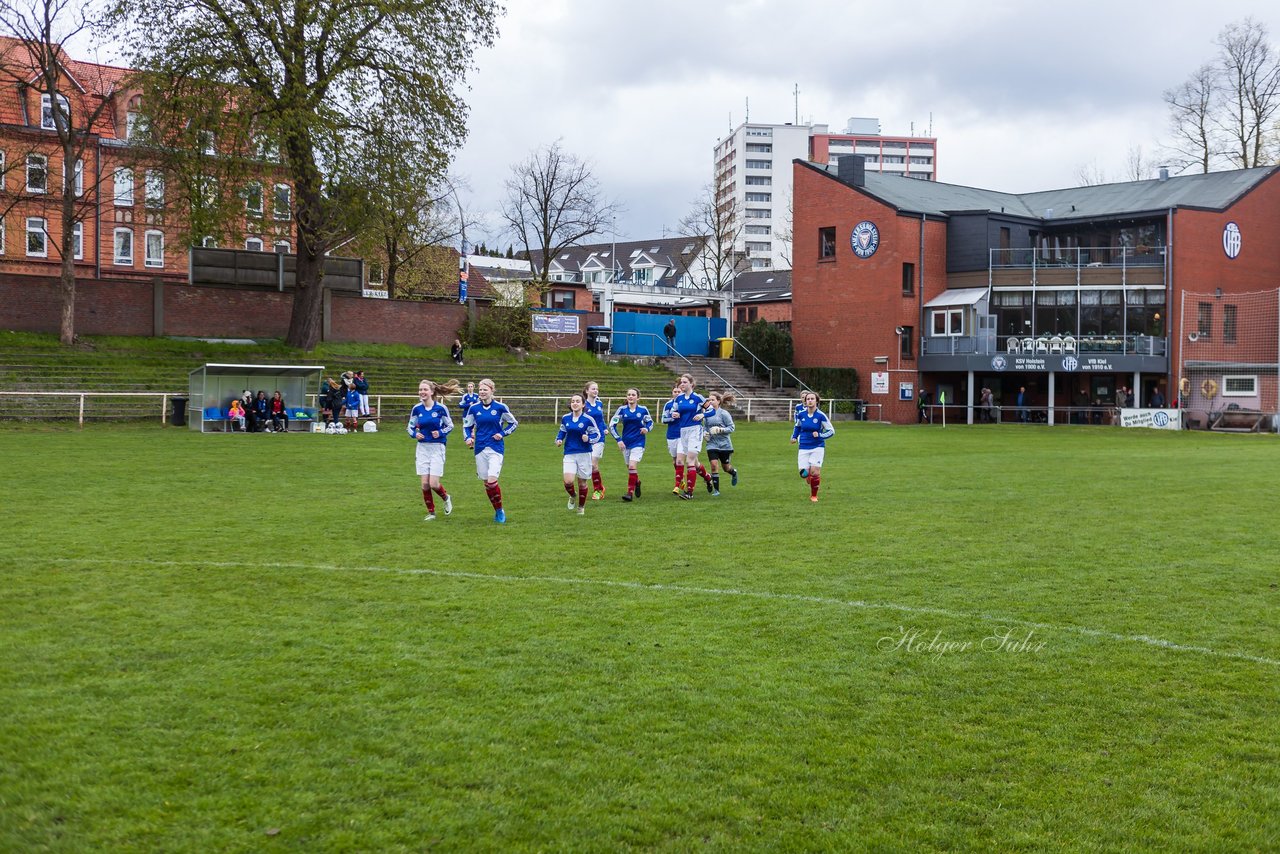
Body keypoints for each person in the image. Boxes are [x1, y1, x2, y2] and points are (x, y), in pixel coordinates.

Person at [463, 378, 518, 524]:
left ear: (492, 391)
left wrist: (503, 433)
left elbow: (513, 423)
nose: (481, 392)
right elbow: (466, 426)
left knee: (492, 481)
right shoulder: (473, 408)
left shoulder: (500, 407)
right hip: (480, 448)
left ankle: (500, 511)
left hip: (496, 448)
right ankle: (496, 509)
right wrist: (468, 438)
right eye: (480, 389)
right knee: (487, 484)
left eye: (485, 389)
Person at [408, 379, 460, 521]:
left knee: (433, 484)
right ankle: (431, 513)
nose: (422, 392)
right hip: (422, 448)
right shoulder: (417, 409)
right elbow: (410, 426)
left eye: (425, 389)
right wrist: (414, 434)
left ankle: (446, 497)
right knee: (425, 484)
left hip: (437, 448)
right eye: (420, 390)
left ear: (431, 392)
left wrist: (441, 433)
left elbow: (450, 426)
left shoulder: (441, 409)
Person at [556, 394, 601, 516]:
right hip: (569, 453)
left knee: (582, 483)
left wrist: (588, 439)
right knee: (568, 481)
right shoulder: (566, 418)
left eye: (577, 401)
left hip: (584, 454)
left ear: (582, 404)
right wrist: (559, 439)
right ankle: (573, 495)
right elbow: (562, 430)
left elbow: (597, 435)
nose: (575, 403)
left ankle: (581, 507)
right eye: (573, 401)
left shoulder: (588, 419)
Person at [669, 373, 710, 500]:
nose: (682, 384)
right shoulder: (679, 398)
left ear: (691, 384)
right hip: (683, 432)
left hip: (695, 430)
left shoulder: (698, 398)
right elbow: (673, 410)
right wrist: (674, 414)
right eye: (681, 382)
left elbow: (711, 410)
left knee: (689, 461)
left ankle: (689, 492)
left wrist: (702, 415)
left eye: (685, 382)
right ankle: (708, 478)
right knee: (688, 462)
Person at [609, 387, 654, 502]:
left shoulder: (643, 410)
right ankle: (637, 482)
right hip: (625, 442)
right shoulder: (622, 410)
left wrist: (647, 429)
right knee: (630, 468)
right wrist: (619, 440)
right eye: (629, 394)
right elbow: (611, 425)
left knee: (633, 466)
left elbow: (650, 422)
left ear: (638, 397)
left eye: (633, 395)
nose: (630, 396)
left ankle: (629, 493)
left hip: (638, 442)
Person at [791, 391, 835, 503]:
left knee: (815, 472)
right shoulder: (801, 414)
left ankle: (814, 496)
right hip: (804, 446)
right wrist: (794, 437)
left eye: (812, 399)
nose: (810, 400)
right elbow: (797, 427)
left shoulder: (821, 415)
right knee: (803, 473)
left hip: (817, 447)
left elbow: (831, 431)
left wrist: (820, 435)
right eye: (808, 399)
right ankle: (809, 476)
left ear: (816, 401)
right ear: (805, 401)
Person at [701, 391, 738, 495]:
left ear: (718, 401)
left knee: (726, 468)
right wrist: (705, 434)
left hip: (724, 445)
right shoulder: (707, 414)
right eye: (709, 400)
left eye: (712, 400)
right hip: (712, 444)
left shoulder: (724, 414)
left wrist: (720, 430)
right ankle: (716, 490)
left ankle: (733, 472)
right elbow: (705, 427)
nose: (710, 402)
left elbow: (731, 428)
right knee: (713, 465)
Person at [582, 381, 608, 499]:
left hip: (599, 438)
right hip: (586, 438)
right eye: (593, 389)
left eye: (597, 389)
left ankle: (598, 490)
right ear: (587, 391)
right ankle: (599, 487)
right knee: (587, 464)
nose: (595, 391)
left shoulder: (599, 403)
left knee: (593, 463)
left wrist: (605, 428)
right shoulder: (584, 405)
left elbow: (601, 419)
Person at [660, 385, 682, 494]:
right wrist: (672, 418)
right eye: (675, 391)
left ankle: (678, 485)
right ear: (672, 393)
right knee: (675, 461)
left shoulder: (685, 404)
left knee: (679, 460)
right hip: (671, 435)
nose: (677, 393)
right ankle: (707, 477)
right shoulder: (668, 404)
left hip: (683, 435)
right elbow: (663, 419)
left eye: (679, 391)